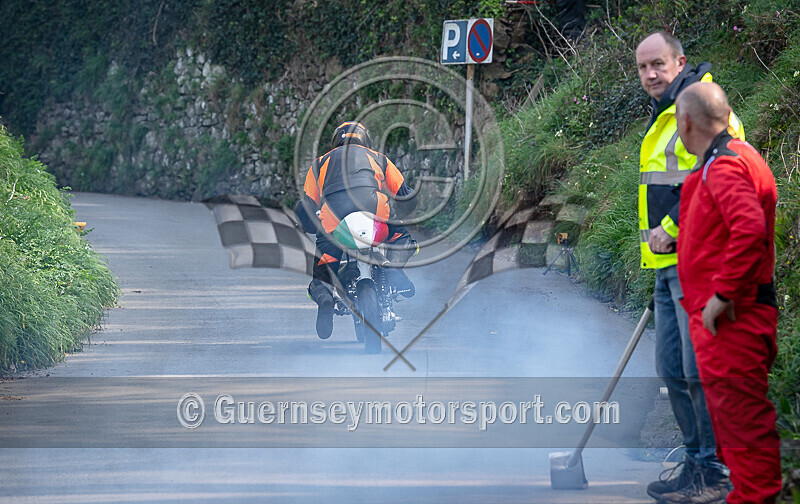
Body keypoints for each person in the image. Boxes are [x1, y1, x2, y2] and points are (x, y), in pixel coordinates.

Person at [635, 32, 745, 502]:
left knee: (700, 370)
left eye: (658, 64)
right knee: (673, 370)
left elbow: (725, 169)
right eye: (643, 68)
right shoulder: (665, 113)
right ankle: (696, 461)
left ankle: (715, 472)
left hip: (697, 262)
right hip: (667, 264)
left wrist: (675, 227)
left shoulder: (703, 106)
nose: (651, 75)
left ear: (679, 61)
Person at [675, 81, 781, 504]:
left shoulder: (723, 167)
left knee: (742, 429)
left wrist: (722, 294)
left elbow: (749, 229)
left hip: (733, 321)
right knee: (737, 429)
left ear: (685, 123)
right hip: (736, 318)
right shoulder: (744, 155)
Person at [296, 121, 417, 339]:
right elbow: (404, 193)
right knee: (402, 236)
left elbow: (307, 204)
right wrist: (402, 214)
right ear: (365, 140)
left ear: (335, 142)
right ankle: (395, 269)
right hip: (375, 210)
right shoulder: (378, 158)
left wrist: (307, 226)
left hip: (334, 217)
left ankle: (325, 297)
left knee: (323, 270)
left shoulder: (320, 163)